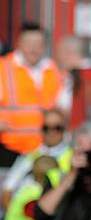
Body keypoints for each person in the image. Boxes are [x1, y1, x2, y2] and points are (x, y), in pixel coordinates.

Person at [0, 22, 64, 166]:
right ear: (20, 43)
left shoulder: (52, 70)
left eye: (38, 43)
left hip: (44, 151)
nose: (33, 48)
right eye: (29, 43)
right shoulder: (4, 68)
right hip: (9, 150)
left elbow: (61, 108)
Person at [1, 108, 72, 212]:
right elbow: (7, 190)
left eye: (57, 128)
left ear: (65, 129)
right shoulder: (29, 157)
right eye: (46, 128)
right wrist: (15, 217)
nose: (51, 132)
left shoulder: (73, 157)